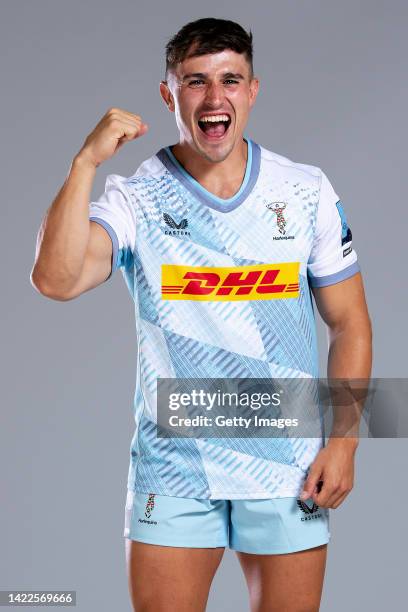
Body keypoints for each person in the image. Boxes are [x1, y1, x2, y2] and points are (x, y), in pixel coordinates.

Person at [30, 17, 372, 612]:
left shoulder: (306, 190)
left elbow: (350, 323)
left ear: (252, 90)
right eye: (195, 82)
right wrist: (85, 163)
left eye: (230, 80)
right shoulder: (137, 196)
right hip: (176, 468)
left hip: (285, 465)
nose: (215, 99)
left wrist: (344, 444)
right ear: (169, 93)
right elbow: (54, 280)